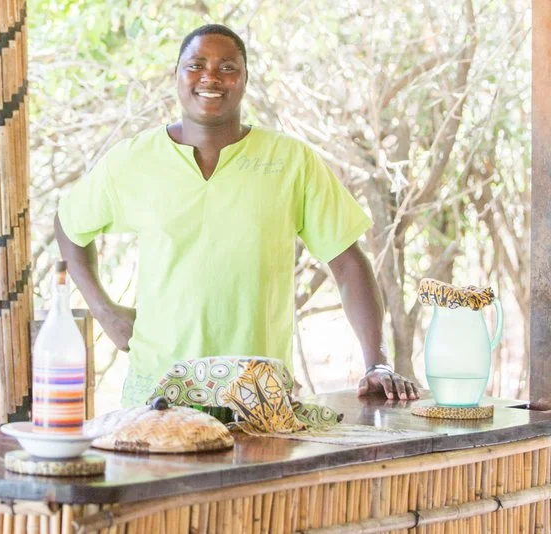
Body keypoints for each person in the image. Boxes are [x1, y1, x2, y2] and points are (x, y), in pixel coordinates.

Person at [55, 23, 419, 407]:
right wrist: (105, 311)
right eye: (196, 64)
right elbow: (69, 225)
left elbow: (348, 263)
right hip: (157, 391)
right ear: (176, 76)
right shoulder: (133, 161)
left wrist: (376, 362)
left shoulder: (291, 162)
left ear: (245, 80)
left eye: (228, 67)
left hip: (258, 393)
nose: (210, 76)